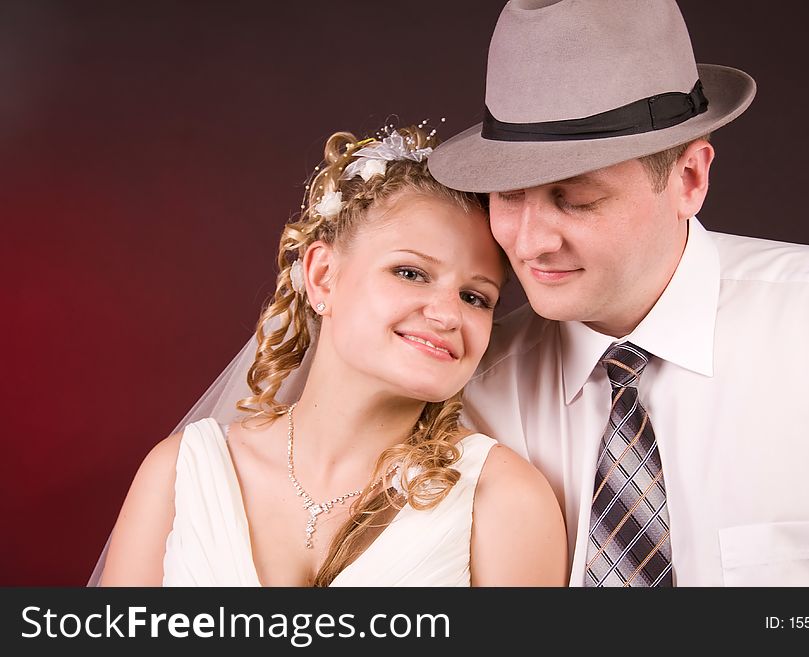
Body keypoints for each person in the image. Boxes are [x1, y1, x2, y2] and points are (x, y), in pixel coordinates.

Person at [423, 0, 809, 586]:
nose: (529, 243)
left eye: (575, 198)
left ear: (689, 179)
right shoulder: (466, 388)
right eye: (507, 197)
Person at [95, 124, 567, 587]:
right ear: (322, 275)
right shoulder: (180, 473)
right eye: (411, 272)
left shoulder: (502, 499)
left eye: (475, 298)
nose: (447, 315)